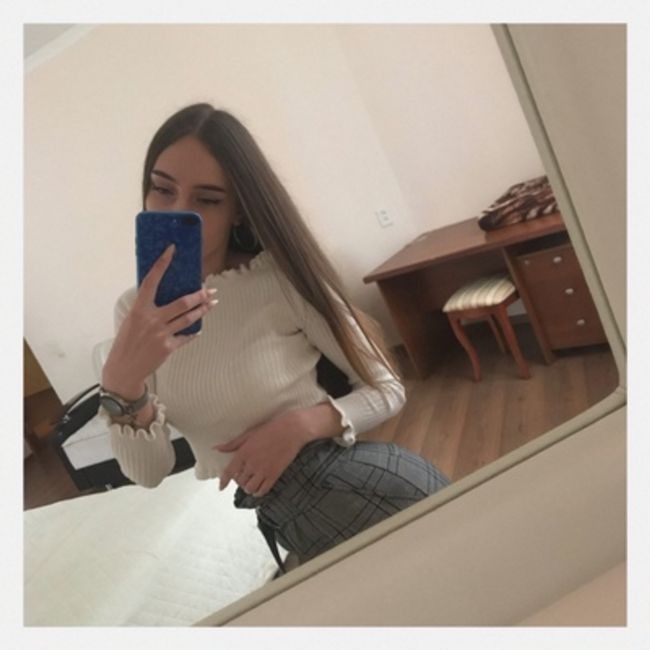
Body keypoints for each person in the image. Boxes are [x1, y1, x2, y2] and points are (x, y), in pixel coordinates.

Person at [98, 103, 450, 572]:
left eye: (207, 199)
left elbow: (387, 389)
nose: (177, 211)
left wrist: (300, 426)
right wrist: (120, 383)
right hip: (297, 519)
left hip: (366, 490)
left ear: (238, 211)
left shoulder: (278, 281)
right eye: (162, 189)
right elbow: (149, 472)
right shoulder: (133, 315)